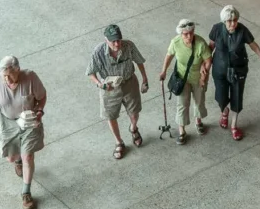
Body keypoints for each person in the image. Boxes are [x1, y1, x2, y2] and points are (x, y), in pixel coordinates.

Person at [0, 56, 47, 209]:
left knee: (29, 156)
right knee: (11, 158)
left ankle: (26, 192)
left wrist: (39, 111)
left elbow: (42, 96)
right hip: (8, 122)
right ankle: (17, 160)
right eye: (3, 74)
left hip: (29, 121)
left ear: (17, 69)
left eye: (9, 74)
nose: (6, 78)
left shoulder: (30, 77)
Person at [209, 5, 260, 141]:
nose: (233, 24)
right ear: (224, 21)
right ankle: (224, 111)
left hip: (238, 69)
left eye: (235, 20)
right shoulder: (216, 29)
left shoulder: (242, 30)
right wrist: (205, 65)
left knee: (237, 96)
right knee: (220, 97)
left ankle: (234, 126)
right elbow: (210, 47)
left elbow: (253, 45)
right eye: (229, 21)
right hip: (219, 69)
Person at [86, 24, 149, 160]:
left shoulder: (129, 46)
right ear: (106, 40)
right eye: (113, 41)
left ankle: (133, 128)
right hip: (109, 88)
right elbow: (90, 73)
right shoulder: (98, 52)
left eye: (118, 40)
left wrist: (144, 79)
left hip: (129, 83)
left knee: (134, 112)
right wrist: (100, 84)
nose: (116, 43)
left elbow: (139, 62)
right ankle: (119, 142)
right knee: (111, 116)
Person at [158, 19, 212, 144]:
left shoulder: (200, 43)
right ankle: (182, 130)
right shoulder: (175, 42)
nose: (189, 36)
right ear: (180, 34)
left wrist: (204, 74)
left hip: (198, 77)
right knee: (182, 103)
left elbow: (208, 60)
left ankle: (198, 121)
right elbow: (169, 55)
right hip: (182, 78)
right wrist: (164, 71)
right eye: (185, 34)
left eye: (191, 33)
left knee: (199, 101)